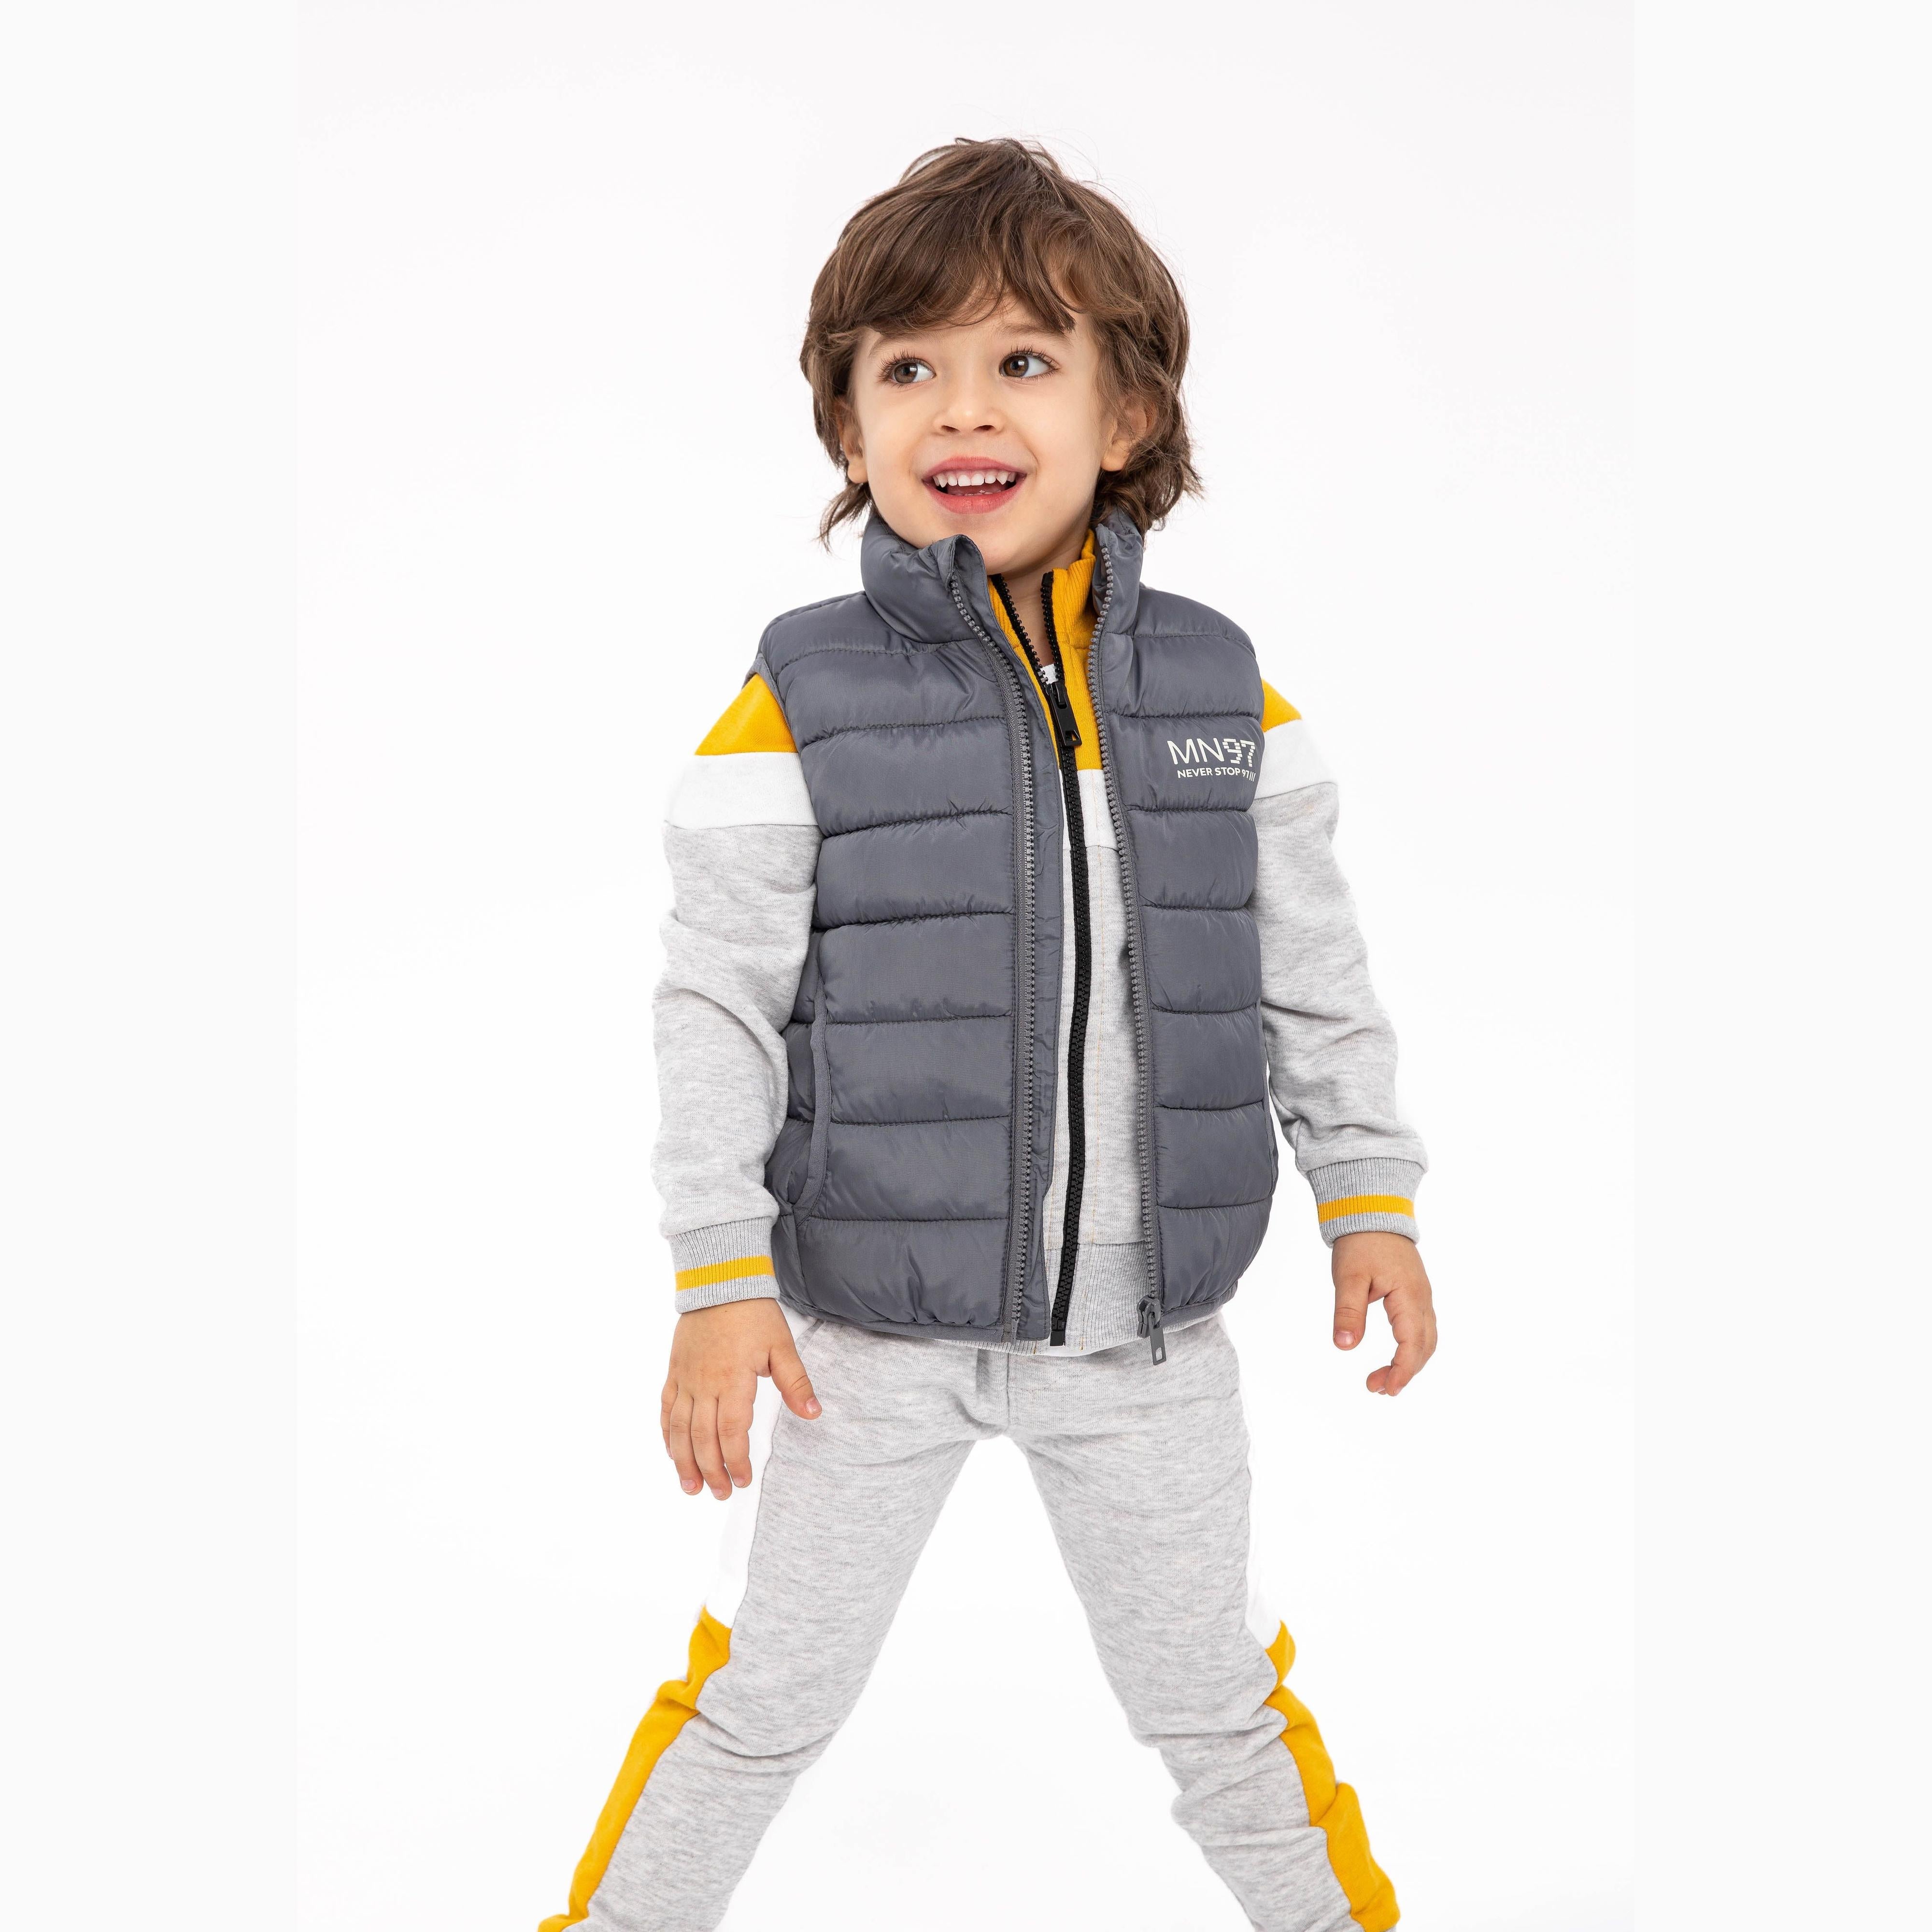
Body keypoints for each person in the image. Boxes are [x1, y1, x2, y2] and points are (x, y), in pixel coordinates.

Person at [540, 137, 1436, 1932]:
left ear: (1125, 416)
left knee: (1220, 1711)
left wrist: (1371, 1196)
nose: (966, 405)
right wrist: (719, 1275)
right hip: (858, 1341)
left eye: (1025, 359)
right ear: (851, 428)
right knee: (760, 1700)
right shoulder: (797, 695)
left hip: (1149, 1339)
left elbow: (1309, 968)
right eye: (909, 368)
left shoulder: (1222, 690)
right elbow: (714, 999)